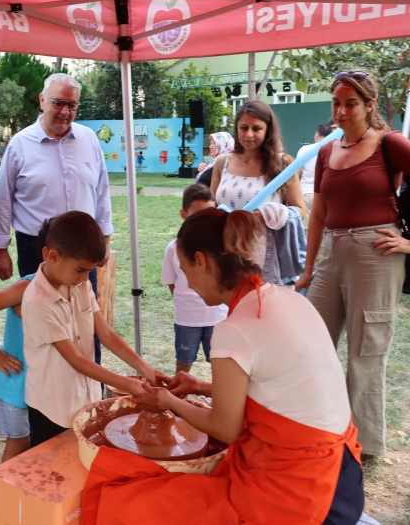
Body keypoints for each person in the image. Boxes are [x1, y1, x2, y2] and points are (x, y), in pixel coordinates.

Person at [81, 208, 363, 525]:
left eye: (186, 272)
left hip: (304, 492)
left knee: (127, 502)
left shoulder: (235, 329)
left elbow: (225, 428)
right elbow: (277, 393)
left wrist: (167, 401)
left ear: (201, 261)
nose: (187, 283)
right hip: (345, 471)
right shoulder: (287, 298)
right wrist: (199, 387)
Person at [296, 71, 410, 458]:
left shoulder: (390, 143)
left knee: (365, 354)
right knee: (312, 345)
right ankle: (320, 429)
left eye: (350, 103)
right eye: (336, 102)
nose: (341, 111)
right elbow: (317, 214)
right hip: (331, 251)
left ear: (370, 105)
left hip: (376, 254)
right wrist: (309, 268)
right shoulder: (327, 150)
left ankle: (361, 446)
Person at [0, 72, 113, 367]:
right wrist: (0, 249)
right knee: (41, 321)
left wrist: (104, 239)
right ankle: (44, 383)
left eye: (72, 105)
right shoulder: (20, 144)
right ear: (42, 99)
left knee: (85, 318)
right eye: (59, 103)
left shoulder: (88, 139)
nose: (65, 112)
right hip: (36, 248)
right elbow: (2, 200)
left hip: (84, 248)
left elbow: (101, 191)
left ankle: (89, 381)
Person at [22, 211, 169, 447]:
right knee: (56, 468)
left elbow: (106, 333)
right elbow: (77, 360)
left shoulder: (78, 284)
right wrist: (131, 385)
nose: (85, 278)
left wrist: (145, 368)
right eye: (80, 270)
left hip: (86, 395)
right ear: (51, 256)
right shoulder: (37, 301)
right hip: (52, 406)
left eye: (89, 271)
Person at [0, 221, 49, 462]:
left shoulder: (70, 289)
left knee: (37, 440)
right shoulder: (27, 287)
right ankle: (6, 496)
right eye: (78, 269)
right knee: (19, 442)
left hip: (40, 385)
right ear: (50, 255)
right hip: (13, 383)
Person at [210, 100, 306, 285]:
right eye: (243, 127)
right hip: (226, 253)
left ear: (268, 130)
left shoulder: (283, 164)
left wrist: (266, 215)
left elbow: (300, 210)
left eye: (257, 128)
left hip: (266, 259)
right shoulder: (222, 163)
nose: (249, 134)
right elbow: (212, 205)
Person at [161, 184, 228, 375]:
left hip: (218, 317)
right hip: (187, 317)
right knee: (184, 363)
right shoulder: (173, 249)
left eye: (210, 214)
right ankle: (179, 401)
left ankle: (218, 399)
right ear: (184, 214)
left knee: (220, 364)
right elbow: (171, 282)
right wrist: (188, 301)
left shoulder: (222, 247)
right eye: (197, 216)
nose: (204, 223)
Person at [296, 124, 334, 229]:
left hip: (306, 194)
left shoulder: (304, 149)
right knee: (325, 231)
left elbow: (297, 173)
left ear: (316, 135)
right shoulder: (334, 150)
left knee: (308, 232)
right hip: (326, 195)